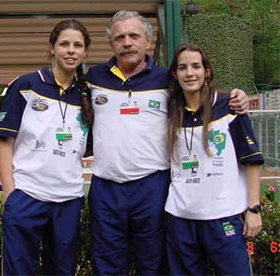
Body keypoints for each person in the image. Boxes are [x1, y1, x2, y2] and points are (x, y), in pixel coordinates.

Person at [86, 10, 249, 275]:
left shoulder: (167, 79)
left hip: (152, 185)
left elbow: (199, 90)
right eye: (120, 37)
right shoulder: (94, 78)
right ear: (112, 43)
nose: (127, 42)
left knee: (153, 264)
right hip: (106, 187)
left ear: (147, 42)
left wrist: (235, 96)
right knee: (107, 264)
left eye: (134, 36)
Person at [0, 19, 93, 275]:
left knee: (61, 271)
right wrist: (10, 195)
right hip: (27, 195)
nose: (71, 50)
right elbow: (5, 142)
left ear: (84, 52)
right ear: (51, 48)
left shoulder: (87, 96)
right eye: (64, 44)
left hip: (68, 200)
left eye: (77, 45)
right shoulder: (25, 86)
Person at [164, 43, 264, 275]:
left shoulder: (229, 105)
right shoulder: (168, 110)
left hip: (223, 216)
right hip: (181, 218)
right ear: (174, 74)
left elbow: (251, 160)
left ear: (207, 71)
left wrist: (253, 208)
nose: (190, 73)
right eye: (182, 67)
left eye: (196, 66)